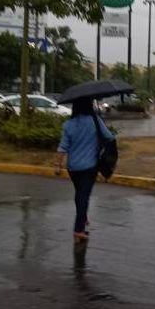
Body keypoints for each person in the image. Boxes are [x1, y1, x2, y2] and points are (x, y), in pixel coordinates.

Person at [54, 98, 114, 243]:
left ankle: (83, 217)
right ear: (89, 106)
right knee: (83, 196)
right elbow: (109, 137)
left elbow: (63, 147)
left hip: (73, 167)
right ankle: (78, 230)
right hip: (90, 166)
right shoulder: (94, 121)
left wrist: (57, 165)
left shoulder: (68, 124)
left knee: (79, 194)